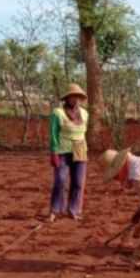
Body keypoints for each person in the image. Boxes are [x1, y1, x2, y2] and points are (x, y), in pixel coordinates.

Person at [48, 83, 89, 222]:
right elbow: (53, 133)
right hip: (62, 150)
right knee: (60, 180)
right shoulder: (57, 113)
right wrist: (53, 152)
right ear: (67, 98)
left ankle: (74, 210)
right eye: (73, 96)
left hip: (80, 149)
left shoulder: (84, 113)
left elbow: (84, 132)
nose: (75, 99)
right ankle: (55, 210)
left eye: (78, 97)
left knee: (78, 182)